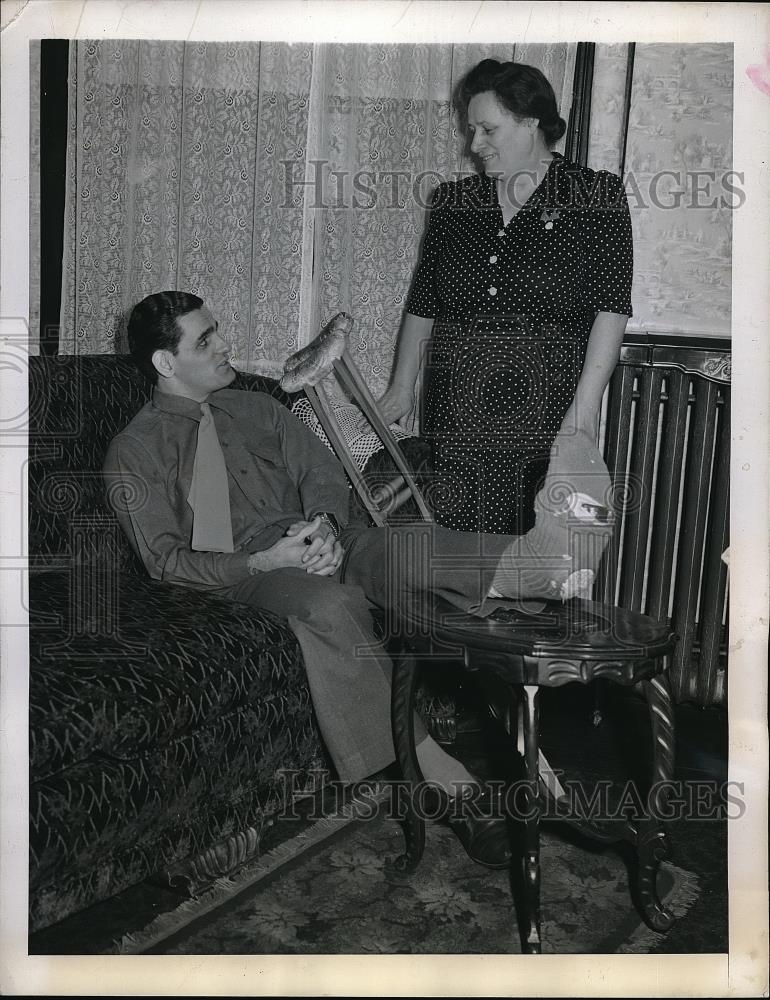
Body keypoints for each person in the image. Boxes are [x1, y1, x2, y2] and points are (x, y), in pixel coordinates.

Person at [103, 290, 522, 870]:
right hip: (243, 575)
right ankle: (446, 780)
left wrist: (323, 528)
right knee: (327, 605)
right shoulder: (134, 451)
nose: (226, 344)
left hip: (318, 538)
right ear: (165, 364)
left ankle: (541, 568)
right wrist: (266, 562)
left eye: (218, 329)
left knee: (409, 551)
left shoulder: (259, 408)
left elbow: (322, 474)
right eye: (206, 340)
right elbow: (166, 562)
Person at [378, 59, 633, 536]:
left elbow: (611, 309)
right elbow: (424, 304)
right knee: (454, 557)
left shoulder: (596, 196)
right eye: (471, 130)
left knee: (531, 558)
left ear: (531, 122)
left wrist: (581, 416)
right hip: (454, 414)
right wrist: (399, 387)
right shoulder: (454, 203)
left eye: (488, 129)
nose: (474, 145)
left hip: (542, 416)